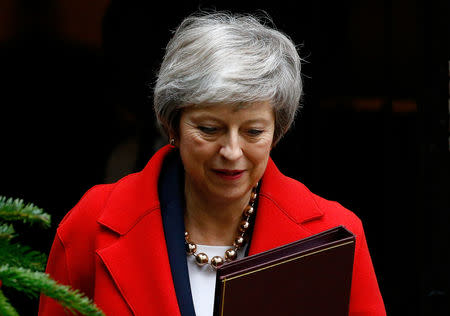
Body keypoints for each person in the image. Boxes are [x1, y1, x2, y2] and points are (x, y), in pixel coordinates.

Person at [39, 12, 386, 316]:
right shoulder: (90, 224)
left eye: (253, 131)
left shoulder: (335, 234)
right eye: (209, 129)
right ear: (171, 125)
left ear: (277, 132)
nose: (232, 151)